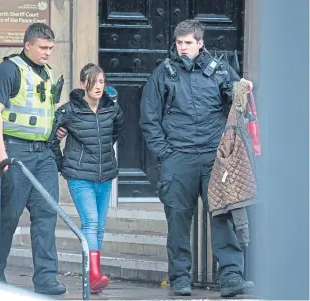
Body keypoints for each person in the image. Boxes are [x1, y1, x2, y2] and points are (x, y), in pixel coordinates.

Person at [139, 19, 254, 298]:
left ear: (200, 43)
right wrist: (166, 154)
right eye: (179, 43)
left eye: (188, 43)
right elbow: (148, 118)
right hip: (178, 158)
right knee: (178, 220)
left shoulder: (219, 71)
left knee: (222, 216)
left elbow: (238, 105)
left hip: (215, 158)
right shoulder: (163, 74)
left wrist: (242, 89)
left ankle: (230, 277)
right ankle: (180, 278)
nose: (182, 48)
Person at [0, 22, 66, 295]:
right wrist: (0, 151)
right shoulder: (9, 69)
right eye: (43, 48)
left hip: (43, 153)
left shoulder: (48, 73)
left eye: (51, 48)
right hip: (15, 151)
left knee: (46, 215)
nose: (47, 53)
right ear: (27, 45)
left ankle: (46, 279)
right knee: (8, 215)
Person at [51, 63, 124, 293]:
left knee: (99, 227)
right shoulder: (69, 110)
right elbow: (51, 138)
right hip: (80, 177)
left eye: (102, 81)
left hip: (105, 176)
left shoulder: (112, 109)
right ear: (83, 84)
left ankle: (94, 277)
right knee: (91, 223)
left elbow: (115, 132)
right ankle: (93, 275)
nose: (98, 86)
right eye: (93, 82)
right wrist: (64, 164)